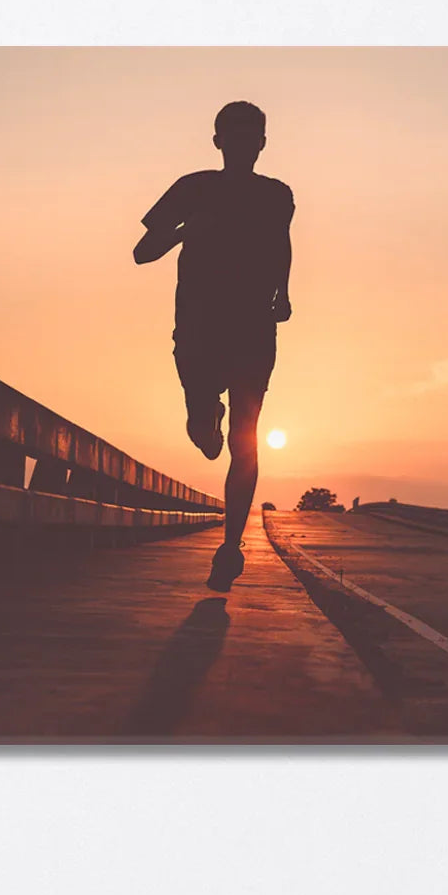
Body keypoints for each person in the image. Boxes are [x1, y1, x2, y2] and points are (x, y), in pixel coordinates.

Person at [133, 101, 294, 592]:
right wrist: (187, 230)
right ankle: (205, 418)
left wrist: (284, 292)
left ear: (262, 144)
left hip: (253, 329)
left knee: (247, 439)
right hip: (199, 329)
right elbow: (142, 253)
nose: (243, 147)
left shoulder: (277, 195)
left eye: (251, 138)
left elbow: (282, 245)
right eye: (234, 137)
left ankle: (230, 548)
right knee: (205, 434)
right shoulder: (193, 188)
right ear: (218, 142)